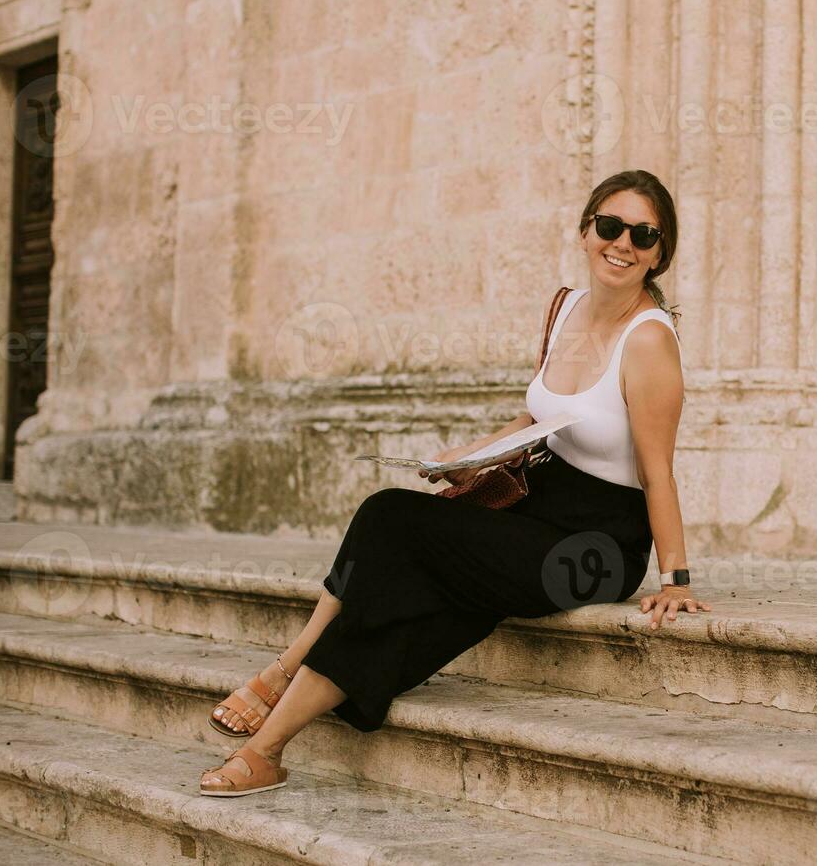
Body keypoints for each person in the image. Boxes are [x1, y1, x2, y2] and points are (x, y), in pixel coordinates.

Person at [199, 169, 711, 796]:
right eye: (610, 226)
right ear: (585, 231)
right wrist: (469, 457)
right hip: (536, 506)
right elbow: (540, 416)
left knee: (391, 518)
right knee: (416, 596)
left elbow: (659, 473)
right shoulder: (566, 308)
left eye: (644, 234)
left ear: (661, 254)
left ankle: (288, 668)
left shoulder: (650, 341)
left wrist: (675, 581)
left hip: (598, 549)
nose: (623, 243)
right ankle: (267, 750)